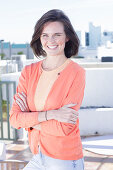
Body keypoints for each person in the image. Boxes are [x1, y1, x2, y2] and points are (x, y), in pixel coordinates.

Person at [9, 9, 86, 170]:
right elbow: (15, 119)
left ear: (67, 37)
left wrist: (29, 120)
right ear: (40, 38)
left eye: (57, 34)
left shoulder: (76, 73)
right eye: (45, 35)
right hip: (38, 155)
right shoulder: (29, 72)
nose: (50, 40)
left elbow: (64, 127)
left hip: (65, 159)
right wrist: (52, 115)